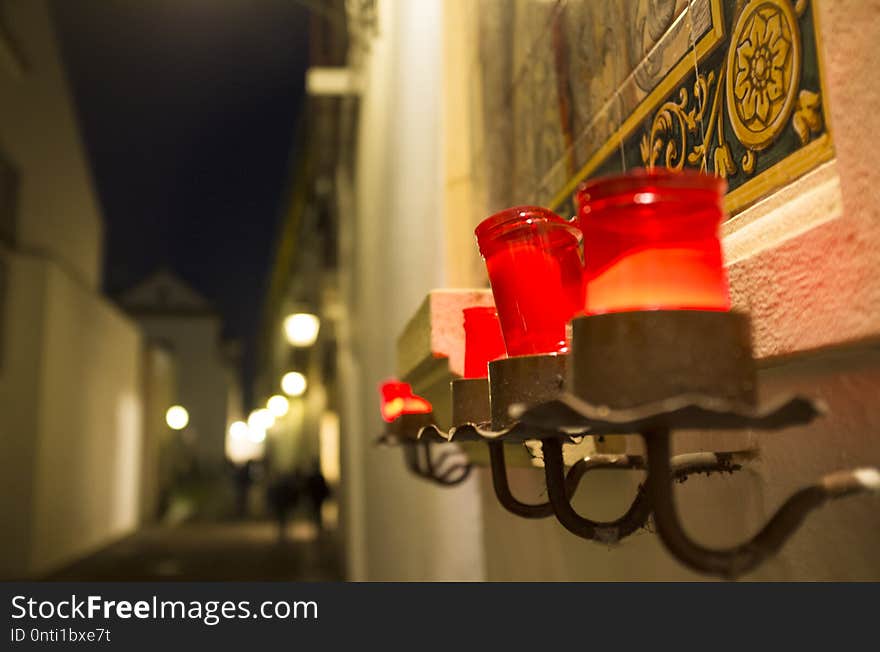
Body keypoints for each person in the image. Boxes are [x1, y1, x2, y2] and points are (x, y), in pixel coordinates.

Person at [304, 460, 330, 530]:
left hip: (317, 497)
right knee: (315, 511)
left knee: (316, 512)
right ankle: (316, 525)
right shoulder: (315, 477)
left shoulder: (318, 477)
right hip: (315, 497)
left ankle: (317, 525)